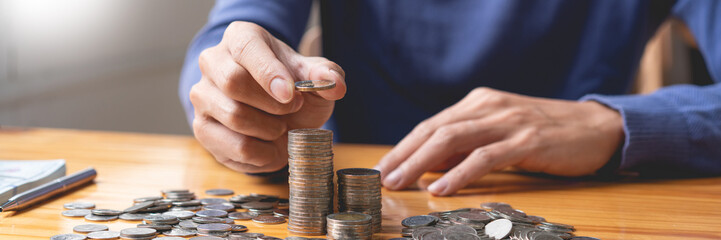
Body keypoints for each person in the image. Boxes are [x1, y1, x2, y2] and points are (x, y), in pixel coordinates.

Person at [179, 0, 721, 196]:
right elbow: (233, 32)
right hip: (368, 197)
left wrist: (615, 124)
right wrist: (236, 90)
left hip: (575, 198)